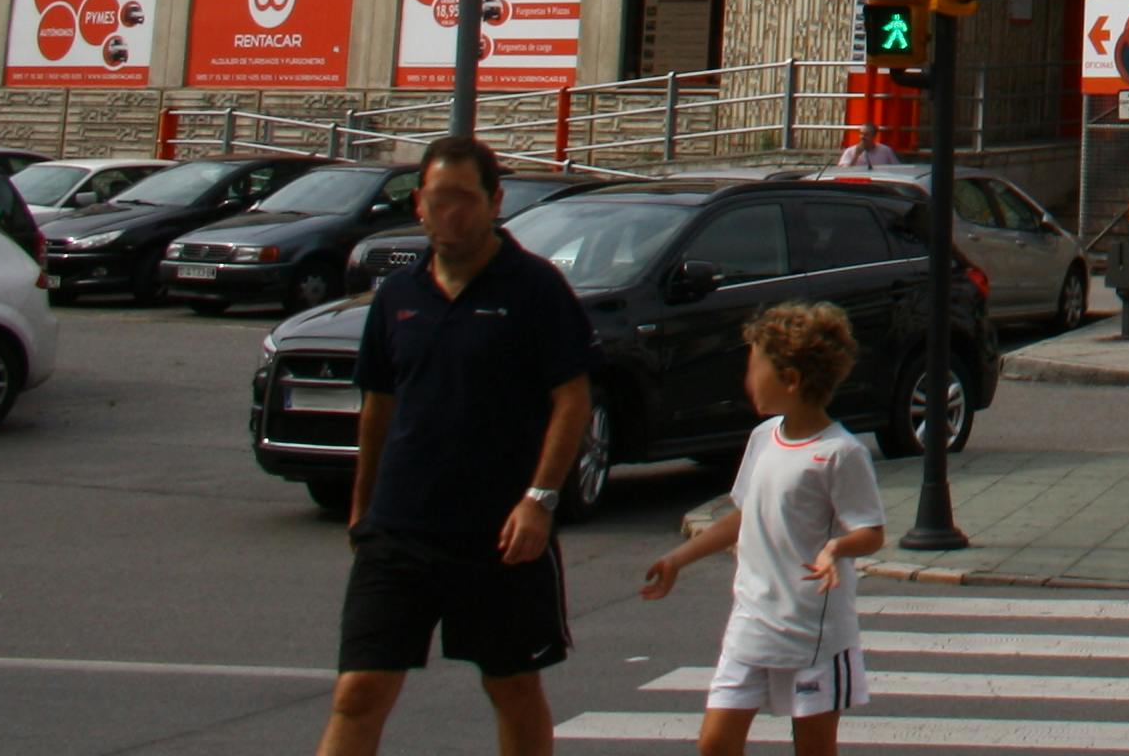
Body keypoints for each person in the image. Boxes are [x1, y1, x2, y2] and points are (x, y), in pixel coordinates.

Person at [320, 134, 597, 756]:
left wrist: (540, 499)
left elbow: (572, 399)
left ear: (494, 202)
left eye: (466, 199)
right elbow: (379, 408)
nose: (451, 214)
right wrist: (363, 510)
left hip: (499, 535)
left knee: (512, 686)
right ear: (418, 203)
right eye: (438, 199)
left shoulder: (534, 287)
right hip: (400, 530)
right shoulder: (398, 295)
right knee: (359, 691)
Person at [640, 302, 888, 752]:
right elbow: (745, 514)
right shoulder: (763, 438)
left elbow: (871, 532)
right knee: (715, 744)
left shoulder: (840, 453)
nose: (746, 379)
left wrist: (835, 548)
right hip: (752, 622)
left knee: (813, 748)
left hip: (812, 633)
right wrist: (678, 558)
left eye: (754, 368)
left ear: (790, 379)